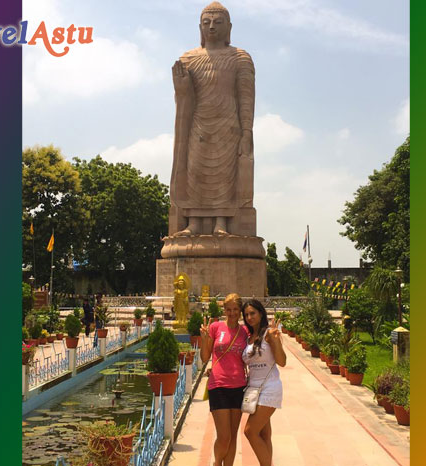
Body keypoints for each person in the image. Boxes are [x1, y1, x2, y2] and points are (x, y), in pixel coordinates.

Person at [170, 1, 255, 236]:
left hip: (228, 126)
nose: (212, 27)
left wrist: (246, 131)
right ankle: (194, 222)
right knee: (195, 173)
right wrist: (181, 87)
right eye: (206, 23)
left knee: (225, 177)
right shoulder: (188, 58)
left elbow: (246, 97)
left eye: (218, 23)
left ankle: (221, 222)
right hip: (198, 126)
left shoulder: (240, 58)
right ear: (200, 28)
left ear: (228, 27)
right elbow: (184, 97)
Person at [200, 293, 248, 466]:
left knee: (233, 436)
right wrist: (204, 339)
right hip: (218, 385)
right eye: (228, 309)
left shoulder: (245, 331)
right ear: (224, 310)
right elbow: (205, 357)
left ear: (240, 311)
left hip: (239, 386)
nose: (232, 313)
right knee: (224, 436)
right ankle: (217, 462)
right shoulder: (215, 327)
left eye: (235, 309)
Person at [241, 299, 286, 466]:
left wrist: (275, 341)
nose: (250, 317)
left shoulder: (269, 333)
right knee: (264, 434)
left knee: (250, 431)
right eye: (246, 315)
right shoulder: (248, 337)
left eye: (253, 313)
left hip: (269, 388)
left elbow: (282, 361)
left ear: (261, 313)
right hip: (254, 389)